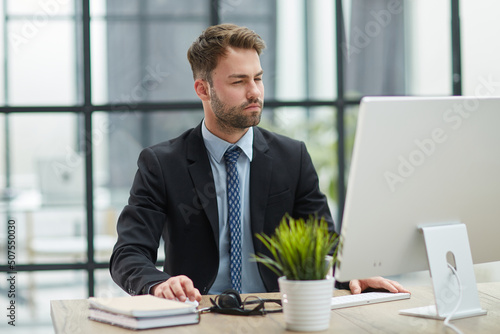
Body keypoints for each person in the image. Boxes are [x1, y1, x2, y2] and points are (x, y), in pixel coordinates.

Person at [110, 23, 409, 303]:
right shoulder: (162, 164)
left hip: (278, 309)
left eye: (258, 78)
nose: (254, 92)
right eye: (238, 81)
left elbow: (325, 245)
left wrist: (352, 272)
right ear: (203, 89)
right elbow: (129, 253)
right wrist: (159, 284)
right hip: (199, 312)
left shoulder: (293, 158)